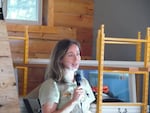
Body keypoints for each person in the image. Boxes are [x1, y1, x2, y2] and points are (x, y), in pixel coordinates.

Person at [38, 39, 95, 113]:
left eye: (78, 54)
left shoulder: (84, 82)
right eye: (70, 55)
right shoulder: (51, 84)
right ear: (60, 59)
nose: (76, 58)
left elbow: (89, 108)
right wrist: (73, 101)